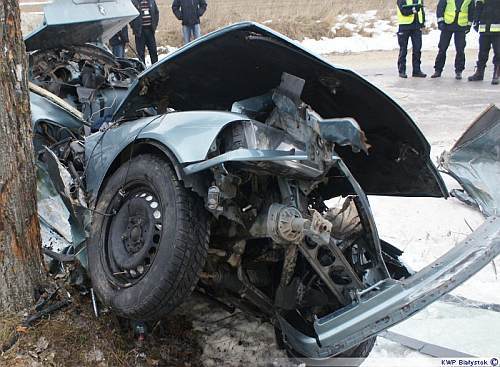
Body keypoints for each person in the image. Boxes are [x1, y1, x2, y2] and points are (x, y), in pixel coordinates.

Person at [431, 0, 474, 80]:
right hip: (447, 25)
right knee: (442, 48)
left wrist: (469, 25)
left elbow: (471, 11)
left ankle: (459, 71)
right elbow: (440, 8)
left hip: (461, 25)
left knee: (460, 49)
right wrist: (440, 21)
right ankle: (438, 70)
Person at [468, 0, 500, 84]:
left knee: (498, 53)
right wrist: (476, 20)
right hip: (484, 27)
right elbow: (478, 7)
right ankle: (479, 73)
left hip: (498, 30)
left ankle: (496, 74)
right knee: (482, 52)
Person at [397, 0, 427, 78]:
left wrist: (423, 22)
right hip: (405, 26)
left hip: (417, 26)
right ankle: (402, 70)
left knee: (417, 49)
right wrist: (414, 10)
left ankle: (416, 70)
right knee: (403, 49)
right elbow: (403, 11)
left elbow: (421, 10)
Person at [131, 0, 159, 65]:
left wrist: (154, 25)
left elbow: (156, 13)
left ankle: (156, 68)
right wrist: (134, 27)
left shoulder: (151, 1)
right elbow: (131, 16)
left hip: (150, 31)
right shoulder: (134, 2)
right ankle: (143, 71)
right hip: (139, 32)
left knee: (153, 51)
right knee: (141, 53)